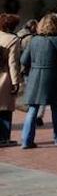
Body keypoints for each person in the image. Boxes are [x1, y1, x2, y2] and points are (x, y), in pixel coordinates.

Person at [19, 14, 57, 148]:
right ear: (56, 25)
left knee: (32, 109)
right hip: (53, 78)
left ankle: (26, 140)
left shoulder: (34, 40)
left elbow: (23, 60)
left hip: (35, 77)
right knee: (56, 108)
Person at [0, 14, 22, 146]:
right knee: (6, 109)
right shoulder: (13, 39)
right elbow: (13, 63)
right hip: (4, 77)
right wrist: (15, 82)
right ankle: (4, 138)